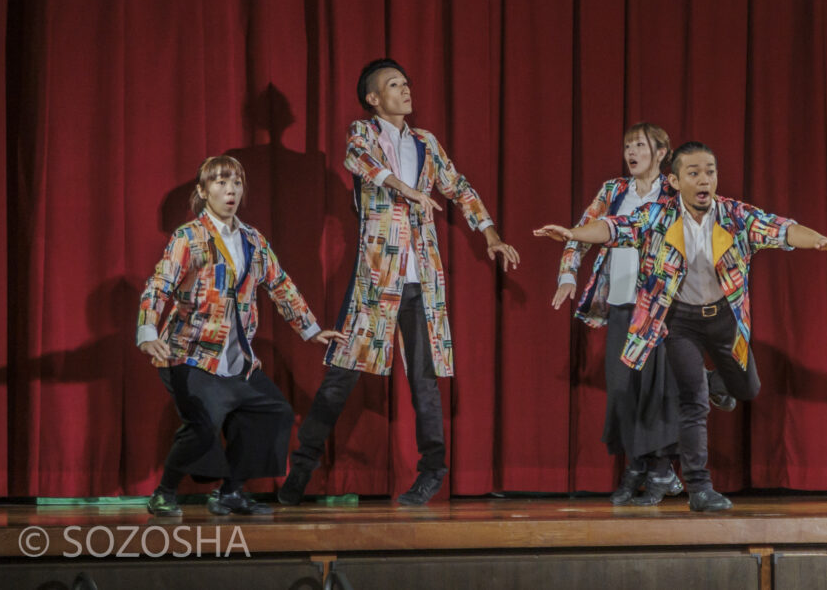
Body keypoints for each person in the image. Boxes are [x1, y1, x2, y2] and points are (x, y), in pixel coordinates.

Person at [535, 141, 827, 511]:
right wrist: (574, 234)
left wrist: (817, 241)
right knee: (693, 404)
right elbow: (613, 227)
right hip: (678, 321)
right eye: (694, 172)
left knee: (746, 388)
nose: (705, 179)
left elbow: (781, 229)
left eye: (710, 171)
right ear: (675, 180)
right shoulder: (658, 216)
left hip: (723, 319)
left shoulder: (734, 215)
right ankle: (700, 489)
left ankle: (714, 381)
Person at [279, 58, 520, 507]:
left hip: (422, 279)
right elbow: (362, 163)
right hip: (376, 277)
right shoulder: (362, 133)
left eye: (407, 82)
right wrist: (408, 191)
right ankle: (302, 470)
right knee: (341, 377)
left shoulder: (426, 142)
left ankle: (432, 472)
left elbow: (460, 188)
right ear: (374, 98)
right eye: (394, 84)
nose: (406, 89)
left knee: (424, 382)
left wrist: (490, 235)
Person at [138, 155, 343, 517]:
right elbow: (159, 285)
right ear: (203, 191)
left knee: (273, 411)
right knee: (203, 423)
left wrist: (310, 329)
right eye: (219, 182)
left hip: (236, 357)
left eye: (235, 182)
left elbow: (280, 285)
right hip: (191, 354)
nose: (229, 190)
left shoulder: (252, 240)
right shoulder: (190, 237)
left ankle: (230, 493)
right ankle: (164, 493)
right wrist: (147, 330)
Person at [552, 123, 731, 506]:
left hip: (663, 304)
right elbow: (582, 231)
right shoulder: (613, 191)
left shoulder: (675, 191)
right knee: (623, 389)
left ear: (662, 152)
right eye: (627, 146)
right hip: (620, 300)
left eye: (640, 146)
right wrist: (568, 275)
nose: (631, 153)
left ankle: (656, 470)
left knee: (662, 391)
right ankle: (647, 465)